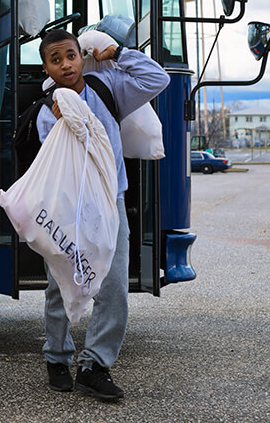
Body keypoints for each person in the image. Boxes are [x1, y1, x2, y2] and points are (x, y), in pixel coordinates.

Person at [35, 29, 169, 400]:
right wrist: (66, 121)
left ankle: (95, 366)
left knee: (113, 288)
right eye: (56, 59)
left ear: (83, 56)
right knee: (61, 283)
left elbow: (158, 78)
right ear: (46, 66)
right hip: (70, 210)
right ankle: (57, 357)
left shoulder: (108, 87)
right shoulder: (49, 111)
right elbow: (59, 164)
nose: (66, 64)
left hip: (110, 204)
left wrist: (120, 53)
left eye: (71, 56)